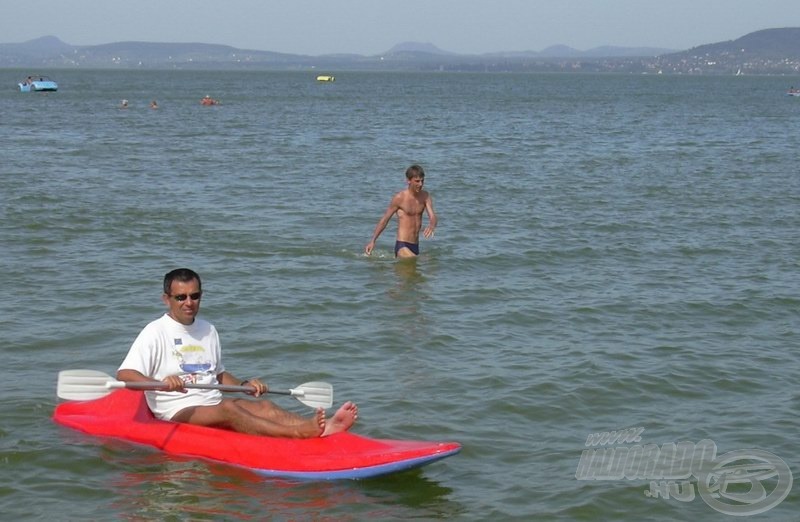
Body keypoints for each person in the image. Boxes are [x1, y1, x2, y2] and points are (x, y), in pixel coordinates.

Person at [117, 268, 358, 438]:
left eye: (195, 295)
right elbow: (125, 375)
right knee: (230, 409)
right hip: (176, 410)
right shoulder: (155, 331)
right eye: (180, 297)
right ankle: (297, 433)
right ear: (166, 299)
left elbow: (218, 375)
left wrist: (244, 384)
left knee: (263, 407)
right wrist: (160, 384)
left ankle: (321, 429)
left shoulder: (208, 329)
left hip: (210, 402)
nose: (189, 302)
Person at [365, 164, 437, 258]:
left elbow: (433, 216)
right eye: (417, 181)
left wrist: (432, 225)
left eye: (422, 181)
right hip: (402, 245)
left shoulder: (425, 196)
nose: (420, 184)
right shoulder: (399, 198)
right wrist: (372, 241)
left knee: (420, 269)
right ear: (408, 180)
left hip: (415, 245)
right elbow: (385, 220)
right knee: (417, 260)